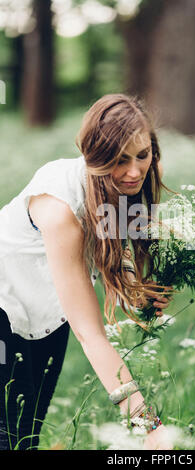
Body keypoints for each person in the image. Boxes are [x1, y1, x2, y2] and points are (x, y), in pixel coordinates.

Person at [0, 93, 175, 450]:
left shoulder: (126, 182)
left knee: (27, 436)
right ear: (95, 157)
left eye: (143, 155)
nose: (134, 170)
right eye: (120, 160)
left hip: (47, 312)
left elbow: (113, 243)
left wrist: (136, 288)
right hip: (4, 304)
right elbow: (90, 334)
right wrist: (148, 425)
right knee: (8, 438)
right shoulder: (60, 206)